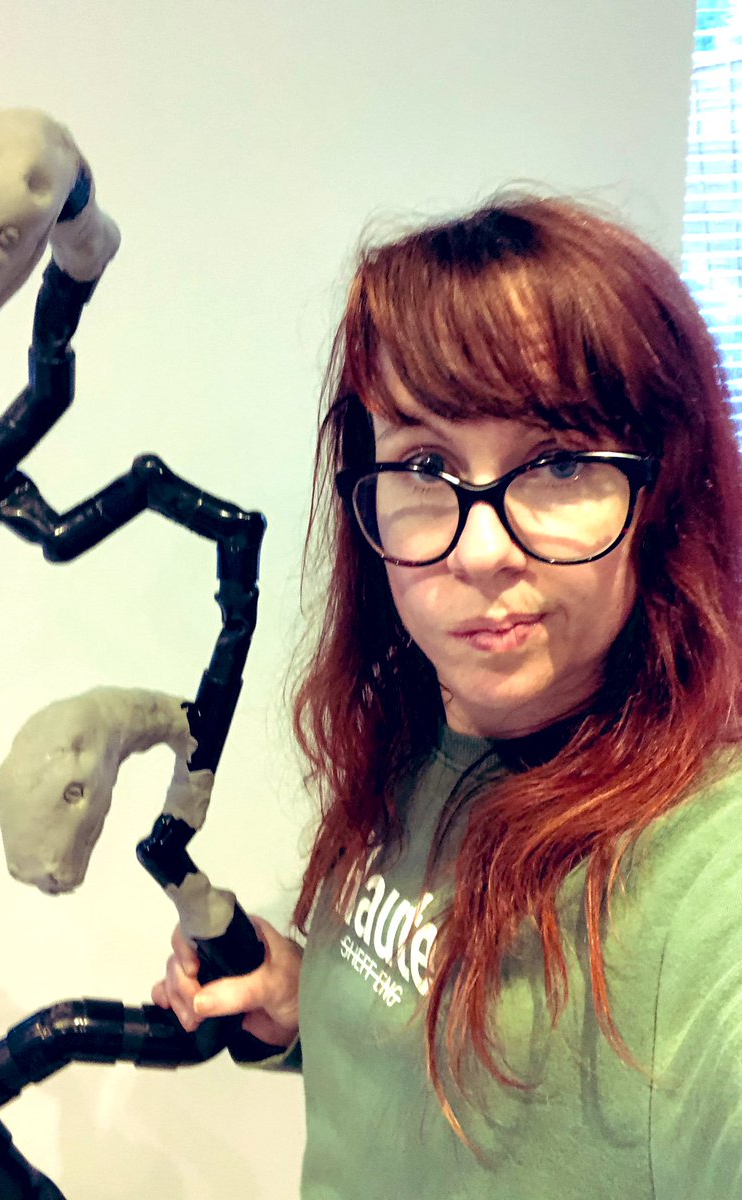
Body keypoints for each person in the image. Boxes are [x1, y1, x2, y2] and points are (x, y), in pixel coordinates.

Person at [153, 194, 742, 1197]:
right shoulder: (420, 729)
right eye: (424, 463)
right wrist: (312, 1005)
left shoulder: (703, 875)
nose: (478, 550)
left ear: (663, 489)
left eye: (557, 461)